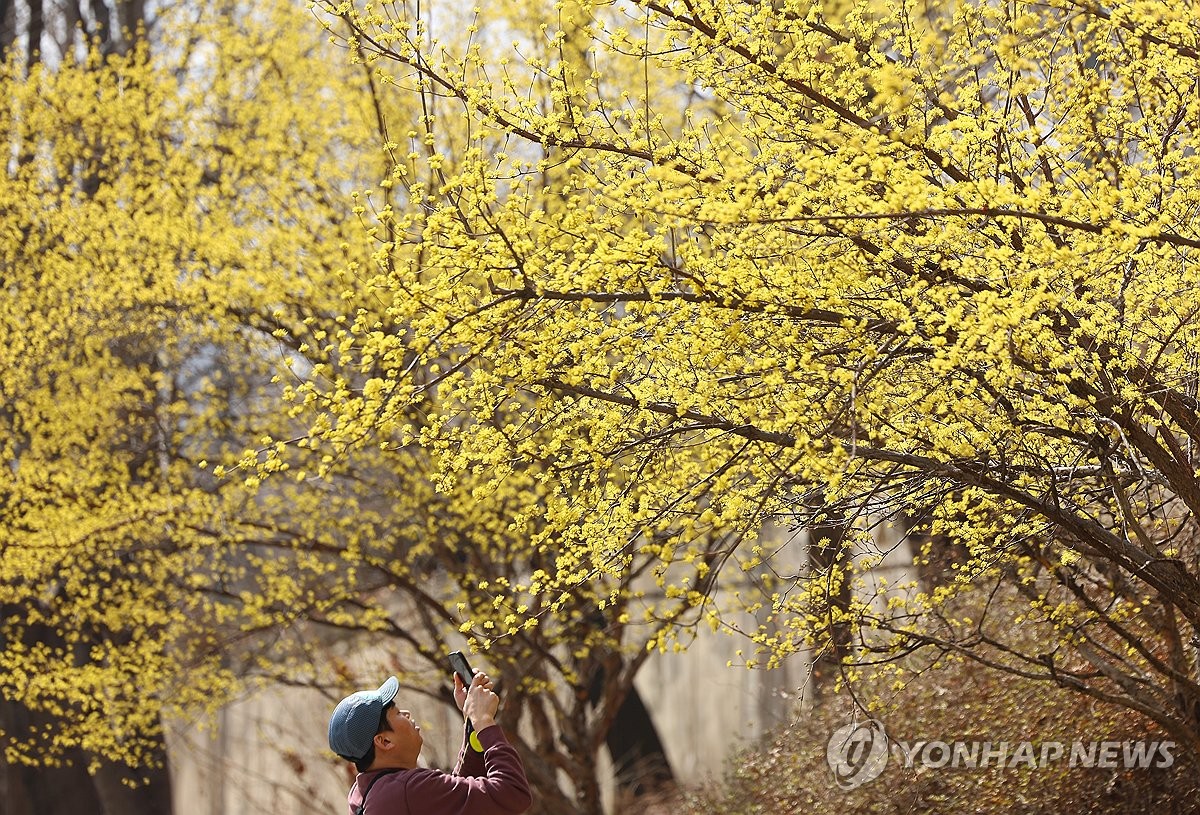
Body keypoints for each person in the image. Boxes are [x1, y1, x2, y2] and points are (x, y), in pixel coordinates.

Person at [328, 669, 532, 815]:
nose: (407, 713)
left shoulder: (364, 792)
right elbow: (513, 793)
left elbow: (451, 797)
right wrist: (484, 720)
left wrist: (472, 722)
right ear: (384, 741)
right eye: (397, 713)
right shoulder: (407, 789)